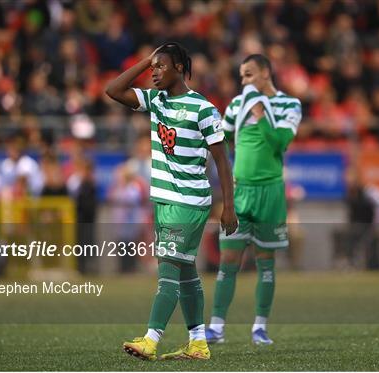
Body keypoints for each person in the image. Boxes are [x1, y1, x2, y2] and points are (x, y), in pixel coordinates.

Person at [106, 42, 238, 361]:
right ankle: (198, 343)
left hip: (189, 203)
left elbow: (221, 159)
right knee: (186, 272)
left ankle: (151, 340)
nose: (154, 73)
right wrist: (145, 61)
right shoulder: (156, 100)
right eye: (153, 68)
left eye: (161, 66)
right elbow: (113, 89)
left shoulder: (203, 109)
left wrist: (228, 206)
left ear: (179, 68)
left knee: (166, 269)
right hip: (163, 202)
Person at [205, 54, 302, 345]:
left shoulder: (290, 104)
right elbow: (223, 139)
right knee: (229, 259)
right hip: (240, 192)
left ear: (265, 73)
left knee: (266, 261)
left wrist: (260, 111)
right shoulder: (236, 104)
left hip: (270, 193)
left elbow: (279, 143)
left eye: (249, 75)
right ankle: (216, 327)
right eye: (242, 76)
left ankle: (260, 327)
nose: (244, 81)